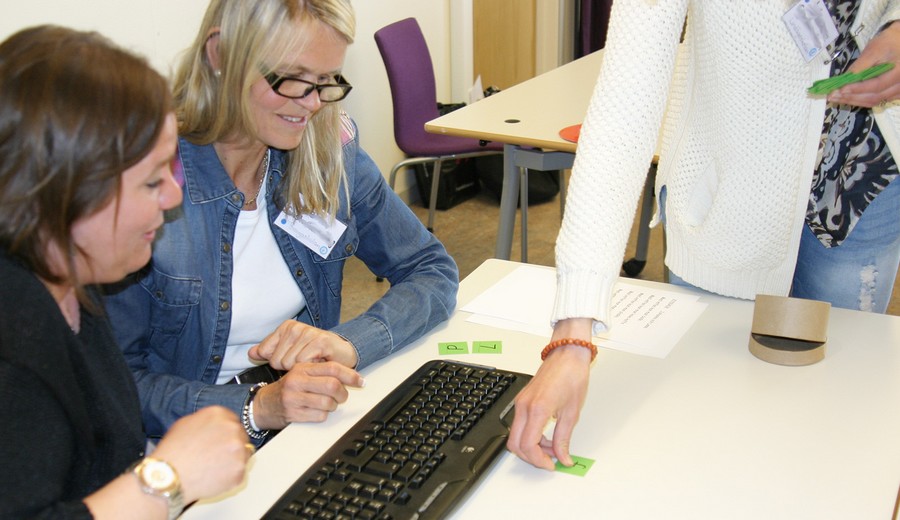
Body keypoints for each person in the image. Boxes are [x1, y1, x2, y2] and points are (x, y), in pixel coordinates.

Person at [508, 0, 900, 470]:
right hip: (728, 193)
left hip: (859, 176)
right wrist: (572, 335)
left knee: (839, 413)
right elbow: (624, 106)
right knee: (709, 425)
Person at [103, 0, 459, 446]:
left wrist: (348, 345)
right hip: (188, 443)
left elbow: (432, 270)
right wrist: (259, 407)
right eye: (292, 79)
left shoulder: (330, 155)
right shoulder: (147, 184)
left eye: (326, 82)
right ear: (220, 55)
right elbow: (113, 385)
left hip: (302, 418)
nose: (311, 105)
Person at [0, 25, 251, 519]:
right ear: (70, 193)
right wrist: (168, 479)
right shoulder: (14, 346)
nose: (173, 197)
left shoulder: (73, 283)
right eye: (153, 181)